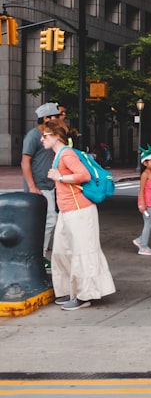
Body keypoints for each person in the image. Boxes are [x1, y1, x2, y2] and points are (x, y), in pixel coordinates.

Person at [44, 120, 116, 311]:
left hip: (80, 211)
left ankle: (85, 295)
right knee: (62, 251)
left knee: (82, 252)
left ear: (57, 137)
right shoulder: (60, 154)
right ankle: (69, 291)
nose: (42, 139)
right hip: (69, 211)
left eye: (46, 135)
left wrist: (59, 177)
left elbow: (83, 175)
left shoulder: (66, 154)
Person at [21, 102, 65, 264]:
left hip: (48, 185)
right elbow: (25, 162)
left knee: (46, 221)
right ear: (46, 118)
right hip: (39, 186)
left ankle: (38, 254)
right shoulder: (34, 135)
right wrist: (32, 186)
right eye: (55, 116)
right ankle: (38, 255)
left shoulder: (49, 134)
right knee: (49, 220)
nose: (59, 118)